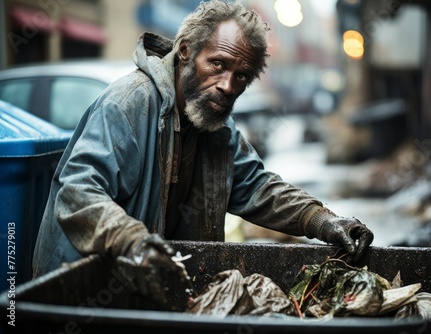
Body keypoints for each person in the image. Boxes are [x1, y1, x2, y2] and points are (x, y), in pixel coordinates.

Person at [32, 0, 373, 306]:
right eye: (218, 65)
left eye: (241, 76)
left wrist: (323, 220)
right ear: (185, 52)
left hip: (145, 291)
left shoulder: (215, 128)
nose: (227, 86)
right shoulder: (129, 104)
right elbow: (78, 191)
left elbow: (256, 186)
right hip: (79, 297)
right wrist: (133, 243)